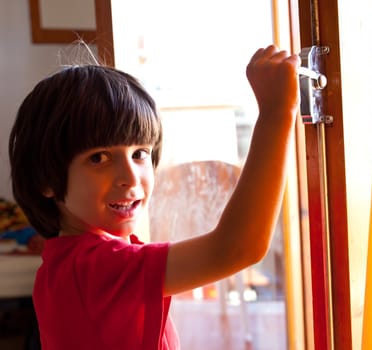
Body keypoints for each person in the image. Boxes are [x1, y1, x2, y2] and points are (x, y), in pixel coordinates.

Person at [8, 44, 300, 349]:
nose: (130, 177)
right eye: (99, 158)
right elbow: (237, 248)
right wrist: (276, 113)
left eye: (139, 154)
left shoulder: (68, 262)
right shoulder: (94, 268)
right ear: (46, 179)